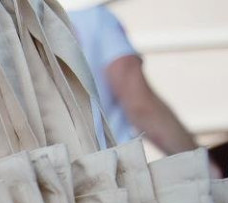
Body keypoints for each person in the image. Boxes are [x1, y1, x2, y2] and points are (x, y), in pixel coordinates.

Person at [68, 3, 213, 166]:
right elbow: (142, 108)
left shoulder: (45, 30)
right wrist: (203, 165)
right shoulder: (95, 19)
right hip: (113, 170)